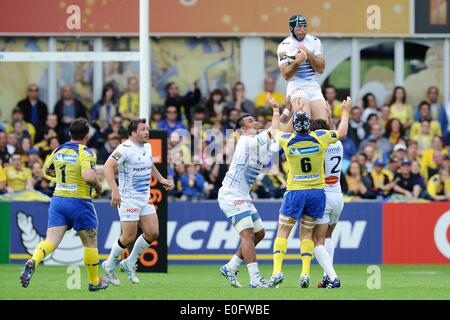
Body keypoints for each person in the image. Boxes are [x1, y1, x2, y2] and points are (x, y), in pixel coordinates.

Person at [268, 97, 351, 289]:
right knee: (308, 235)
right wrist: (344, 112)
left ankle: (276, 272)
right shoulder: (321, 138)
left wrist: (276, 110)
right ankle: (305, 274)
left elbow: (274, 131)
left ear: (296, 127)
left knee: (283, 231)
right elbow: (341, 132)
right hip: (318, 193)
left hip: (296, 192)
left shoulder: (288, 140)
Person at [20, 118, 108, 291]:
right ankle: (94, 282)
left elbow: (47, 171)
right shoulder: (85, 151)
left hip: (58, 200)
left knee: (50, 241)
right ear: (87, 136)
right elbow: (89, 177)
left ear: (70, 134)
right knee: (90, 244)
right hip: (79, 201)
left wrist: (62, 179)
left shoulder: (59, 149)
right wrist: (98, 187)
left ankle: (33, 260)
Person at [218, 93, 288, 289]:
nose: (255, 122)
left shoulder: (261, 145)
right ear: (243, 129)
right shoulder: (246, 141)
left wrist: (289, 109)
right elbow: (274, 131)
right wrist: (276, 110)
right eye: (251, 121)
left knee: (260, 234)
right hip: (231, 194)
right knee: (248, 235)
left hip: (242, 195)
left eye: (255, 119)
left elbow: (279, 131)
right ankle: (255, 279)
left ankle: (231, 266)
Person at [102, 119, 174, 286]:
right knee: (128, 237)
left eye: (147, 129)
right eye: (143, 129)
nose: (147, 132)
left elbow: (150, 165)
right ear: (133, 133)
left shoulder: (147, 146)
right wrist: (115, 190)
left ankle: (128, 262)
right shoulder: (124, 148)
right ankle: (109, 264)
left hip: (144, 197)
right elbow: (107, 167)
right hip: (128, 198)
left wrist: (161, 179)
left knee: (153, 233)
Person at [310, 112, 344, 288]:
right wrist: (331, 115)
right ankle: (326, 277)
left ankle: (333, 277)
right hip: (338, 195)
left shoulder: (317, 147)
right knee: (329, 236)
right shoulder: (337, 143)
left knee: (317, 240)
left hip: (323, 196)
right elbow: (334, 131)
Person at [277, 14, 327, 120]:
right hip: (296, 85)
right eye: (299, 27)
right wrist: (296, 62)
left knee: (322, 124)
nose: (302, 30)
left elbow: (321, 69)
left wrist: (307, 53)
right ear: (291, 28)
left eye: (304, 27)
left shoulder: (314, 41)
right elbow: (286, 75)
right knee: (304, 122)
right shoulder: (284, 46)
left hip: (313, 85)